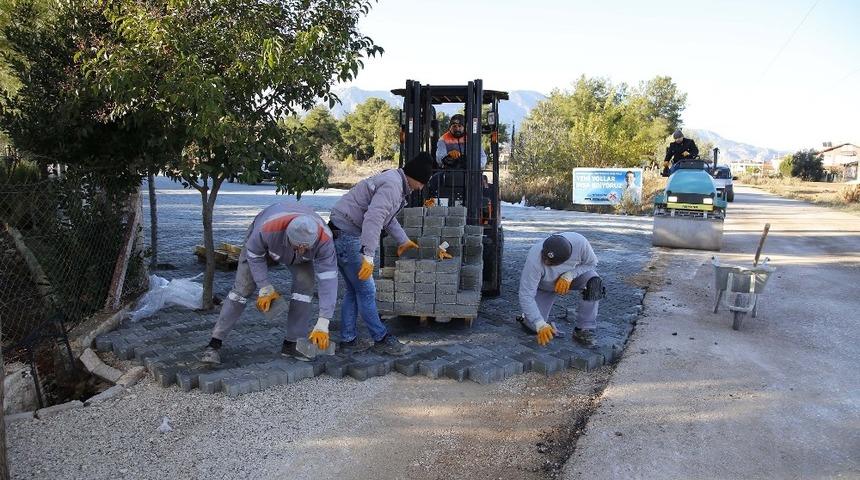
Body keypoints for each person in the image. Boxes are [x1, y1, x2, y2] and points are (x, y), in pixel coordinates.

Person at [201, 203, 337, 365]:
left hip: (296, 250)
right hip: (264, 247)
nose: (301, 251)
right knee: (242, 290)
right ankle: (214, 344)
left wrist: (324, 321)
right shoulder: (266, 230)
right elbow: (254, 254)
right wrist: (265, 286)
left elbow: (329, 278)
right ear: (288, 236)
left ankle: (292, 344)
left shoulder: (324, 239)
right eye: (297, 247)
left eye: (305, 248)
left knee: (305, 287)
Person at [328, 152, 434, 355]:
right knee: (367, 291)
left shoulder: (396, 182)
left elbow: (387, 218)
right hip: (347, 235)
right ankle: (381, 338)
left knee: (354, 291)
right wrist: (368, 255)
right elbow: (374, 218)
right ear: (415, 177)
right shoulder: (393, 186)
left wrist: (403, 239)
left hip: (341, 232)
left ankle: (348, 341)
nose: (421, 188)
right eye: (422, 183)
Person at [517, 233, 606, 348]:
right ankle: (529, 318)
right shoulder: (534, 258)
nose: (546, 263)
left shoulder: (580, 243)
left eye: (552, 263)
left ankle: (584, 329)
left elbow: (592, 263)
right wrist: (539, 322)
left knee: (594, 283)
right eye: (545, 258)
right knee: (533, 327)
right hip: (545, 285)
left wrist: (570, 275)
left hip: (570, 278)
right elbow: (526, 294)